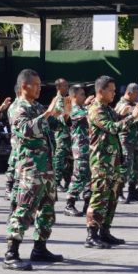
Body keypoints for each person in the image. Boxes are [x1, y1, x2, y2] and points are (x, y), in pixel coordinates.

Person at [4, 70, 65, 270]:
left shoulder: (36, 106)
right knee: (24, 209)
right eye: (36, 85)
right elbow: (26, 130)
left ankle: (40, 248)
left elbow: (55, 124)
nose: (39, 88)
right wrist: (48, 113)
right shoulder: (18, 108)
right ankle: (11, 253)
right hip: (29, 168)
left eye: (40, 85)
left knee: (47, 210)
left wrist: (64, 113)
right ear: (24, 86)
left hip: (46, 167)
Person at [85, 76, 138, 249]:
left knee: (112, 198)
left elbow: (123, 125)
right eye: (111, 90)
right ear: (100, 91)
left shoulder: (108, 109)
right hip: (101, 161)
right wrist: (132, 116)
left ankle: (104, 231)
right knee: (99, 197)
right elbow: (113, 127)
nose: (114, 93)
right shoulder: (96, 110)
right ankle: (91, 235)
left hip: (113, 161)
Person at [63, 85, 91, 217]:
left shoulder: (82, 108)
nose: (84, 97)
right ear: (74, 96)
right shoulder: (73, 110)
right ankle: (69, 204)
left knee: (89, 176)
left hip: (88, 148)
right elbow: (88, 116)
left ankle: (88, 203)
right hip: (80, 148)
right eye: (82, 94)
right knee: (79, 175)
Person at [117, 82, 138, 204]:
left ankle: (133, 191)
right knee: (125, 167)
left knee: (137, 167)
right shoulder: (121, 105)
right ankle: (118, 192)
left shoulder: (134, 104)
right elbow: (121, 123)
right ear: (129, 93)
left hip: (134, 140)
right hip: (125, 140)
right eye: (136, 94)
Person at [53, 78, 73, 191]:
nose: (67, 87)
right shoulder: (58, 100)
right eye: (65, 86)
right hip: (61, 134)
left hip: (68, 134)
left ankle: (67, 181)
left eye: (67, 85)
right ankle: (56, 182)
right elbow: (64, 115)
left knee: (68, 160)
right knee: (59, 158)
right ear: (58, 88)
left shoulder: (67, 100)